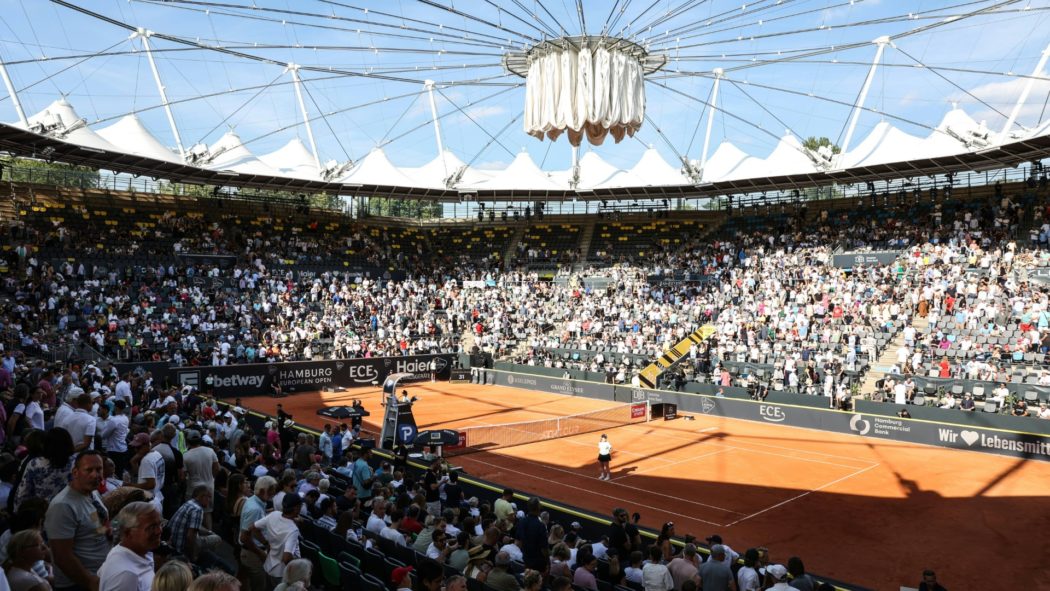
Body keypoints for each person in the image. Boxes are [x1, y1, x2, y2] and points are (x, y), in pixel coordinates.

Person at [44, 450, 111, 591]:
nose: (95, 475)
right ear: (75, 472)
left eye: (99, 469)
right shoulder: (63, 506)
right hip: (77, 584)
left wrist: (108, 531)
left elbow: (95, 525)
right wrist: (90, 582)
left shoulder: (92, 493)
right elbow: (62, 556)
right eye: (89, 470)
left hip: (101, 575)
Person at [97, 502, 162, 591]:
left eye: (160, 524)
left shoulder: (137, 552)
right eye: (151, 527)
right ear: (128, 533)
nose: (159, 531)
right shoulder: (126, 575)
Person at [249, 492, 302, 588]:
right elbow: (286, 558)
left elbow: (253, 528)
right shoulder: (293, 530)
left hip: (268, 566)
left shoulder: (274, 514)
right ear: (296, 508)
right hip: (281, 573)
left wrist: (266, 543)